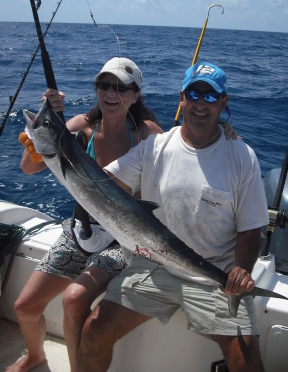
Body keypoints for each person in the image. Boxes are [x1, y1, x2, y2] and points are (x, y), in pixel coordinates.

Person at [76, 61, 269, 372]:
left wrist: (241, 271)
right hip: (153, 265)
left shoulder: (242, 158)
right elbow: (100, 186)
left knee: (246, 362)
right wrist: (59, 154)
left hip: (215, 276)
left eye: (210, 96)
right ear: (182, 98)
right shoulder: (154, 148)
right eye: (194, 94)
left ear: (223, 102)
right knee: (93, 332)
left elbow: (250, 231)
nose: (200, 104)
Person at [7, 57, 163, 372]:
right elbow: (29, 167)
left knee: (74, 300)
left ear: (135, 95)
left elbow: (183, 156)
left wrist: (223, 136)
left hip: (124, 237)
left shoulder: (148, 134)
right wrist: (36, 140)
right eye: (104, 84)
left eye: (121, 87)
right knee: (24, 307)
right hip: (82, 230)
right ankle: (36, 356)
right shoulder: (80, 127)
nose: (111, 91)